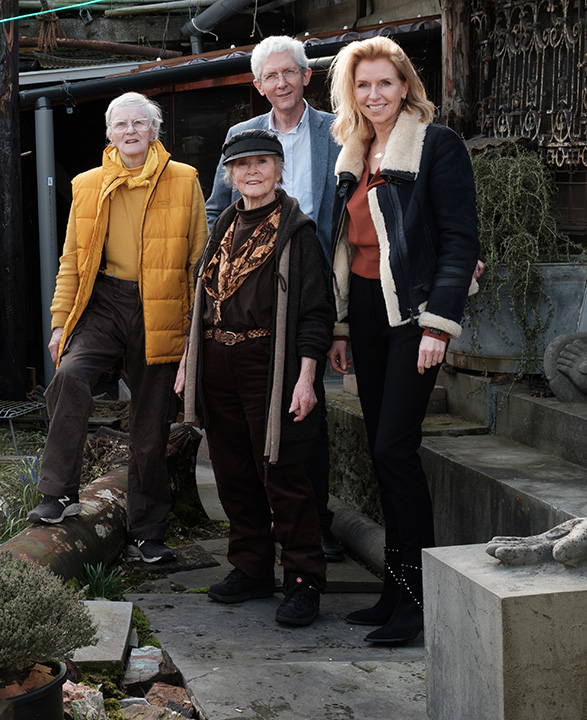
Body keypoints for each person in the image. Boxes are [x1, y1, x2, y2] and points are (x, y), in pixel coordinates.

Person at [324, 36, 481, 644]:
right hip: (362, 311)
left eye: (384, 83)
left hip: (413, 313)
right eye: (362, 85)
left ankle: (417, 603)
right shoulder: (352, 152)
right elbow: (343, 248)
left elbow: (459, 238)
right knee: (380, 449)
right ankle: (393, 592)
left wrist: (438, 324)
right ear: (351, 94)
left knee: (395, 448)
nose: (374, 94)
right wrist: (339, 325)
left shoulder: (437, 145)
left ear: (405, 85)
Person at [27, 92, 208, 566]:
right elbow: (72, 261)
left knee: (151, 422)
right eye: (121, 124)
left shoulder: (184, 180)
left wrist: (192, 336)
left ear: (155, 130)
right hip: (104, 303)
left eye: (140, 123)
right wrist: (60, 322)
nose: (131, 131)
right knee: (69, 375)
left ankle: (146, 532)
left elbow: (198, 263)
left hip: (161, 305)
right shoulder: (87, 184)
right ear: (108, 133)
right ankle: (59, 492)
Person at [180, 129, 334, 627]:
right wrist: (189, 360)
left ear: (279, 169)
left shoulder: (298, 232)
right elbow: (204, 300)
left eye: (263, 163)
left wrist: (307, 377)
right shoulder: (223, 225)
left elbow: (315, 313)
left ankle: (303, 581)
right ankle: (250, 568)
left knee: (283, 473)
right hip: (219, 362)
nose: (252, 172)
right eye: (242, 165)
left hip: (271, 365)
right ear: (229, 175)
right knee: (232, 470)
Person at [206, 34, 346, 563]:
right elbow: (216, 211)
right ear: (258, 84)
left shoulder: (336, 129)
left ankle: (318, 524)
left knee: (304, 410)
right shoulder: (243, 136)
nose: (282, 83)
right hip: (252, 287)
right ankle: (258, 536)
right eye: (271, 76)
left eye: (291, 72)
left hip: (312, 274)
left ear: (306, 77)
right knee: (244, 425)